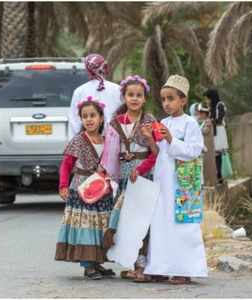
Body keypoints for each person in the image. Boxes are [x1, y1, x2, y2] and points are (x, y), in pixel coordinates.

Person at [144, 75, 208, 284]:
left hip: (183, 185)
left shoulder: (190, 124)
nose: (166, 103)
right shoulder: (163, 122)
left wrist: (171, 138)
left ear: (183, 100)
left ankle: (184, 269)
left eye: (171, 98)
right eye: (163, 99)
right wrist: (150, 140)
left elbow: (194, 151)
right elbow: (159, 153)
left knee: (183, 225)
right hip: (163, 182)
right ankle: (160, 268)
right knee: (161, 223)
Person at [100, 75, 158, 281]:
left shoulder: (150, 121)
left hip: (143, 177)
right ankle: (131, 262)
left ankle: (142, 266)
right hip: (125, 178)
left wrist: (141, 168)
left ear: (144, 99)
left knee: (143, 221)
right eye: (130, 94)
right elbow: (109, 153)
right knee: (126, 222)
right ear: (124, 97)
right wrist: (108, 176)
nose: (134, 98)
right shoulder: (116, 123)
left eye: (138, 95)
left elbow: (156, 151)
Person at [55, 97, 116, 280]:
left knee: (100, 225)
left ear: (101, 118)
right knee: (86, 225)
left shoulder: (107, 141)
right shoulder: (78, 141)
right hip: (82, 188)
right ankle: (88, 265)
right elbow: (66, 164)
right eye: (84, 116)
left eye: (92, 116)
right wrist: (63, 185)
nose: (89, 119)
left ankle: (97, 262)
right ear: (81, 120)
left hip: (102, 189)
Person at [68, 54, 122, 139]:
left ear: (87, 69)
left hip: (89, 140)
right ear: (104, 67)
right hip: (114, 140)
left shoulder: (79, 91)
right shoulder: (118, 89)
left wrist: (75, 143)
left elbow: (74, 121)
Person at [203, 89, 228, 183]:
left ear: (212, 98)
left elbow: (219, 118)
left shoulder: (220, 105)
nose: (207, 101)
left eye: (208, 99)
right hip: (213, 132)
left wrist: (211, 120)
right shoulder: (211, 107)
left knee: (218, 154)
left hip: (219, 132)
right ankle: (218, 175)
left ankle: (220, 175)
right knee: (215, 155)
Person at [196, 103, 217, 187]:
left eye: (200, 113)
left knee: (209, 165)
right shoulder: (203, 122)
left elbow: (204, 131)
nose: (199, 114)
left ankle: (210, 183)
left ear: (205, 114)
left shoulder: (208, 122)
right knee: (205, 166)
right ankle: (207, 183)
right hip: (204, 148)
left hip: (208, 147)